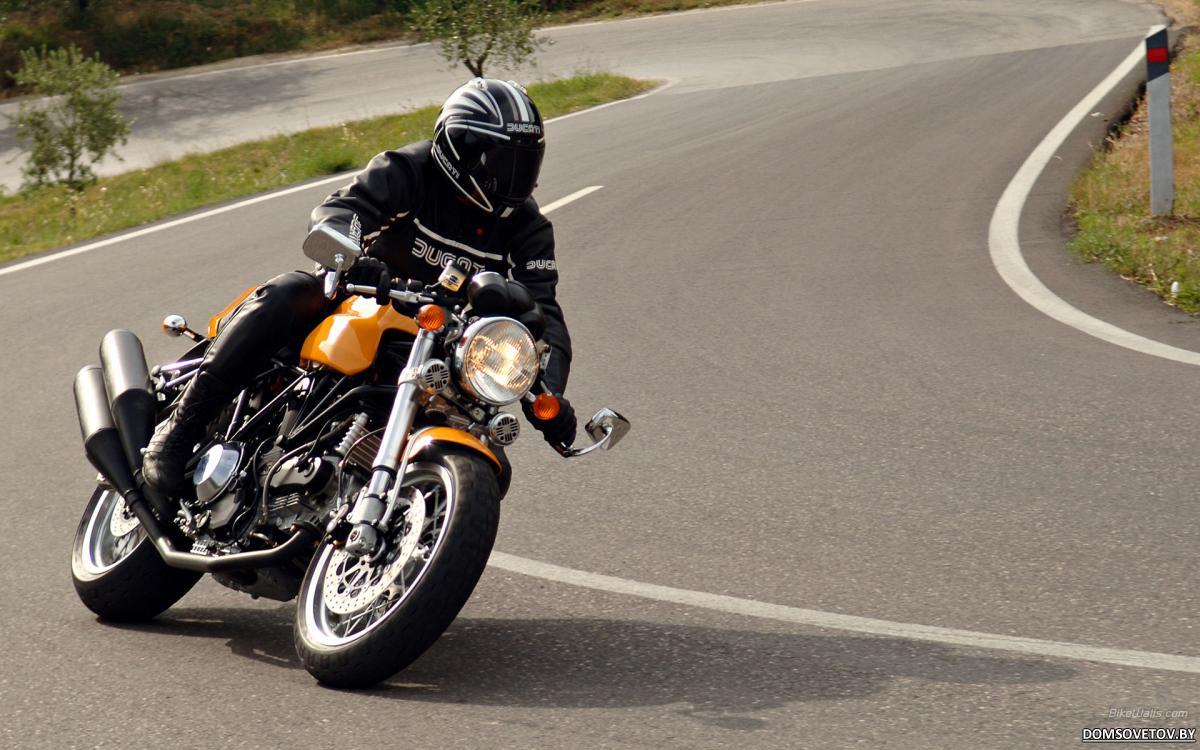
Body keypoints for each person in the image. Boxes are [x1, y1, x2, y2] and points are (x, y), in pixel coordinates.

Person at [143, 78, 576, 497]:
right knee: (289, 293)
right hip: (363, 300)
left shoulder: (528, 227)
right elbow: (344, 211)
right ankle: (180, 430)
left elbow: (543, 314)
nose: (515, 179)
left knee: (490, 457)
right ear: (461, 152)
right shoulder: (410, 170)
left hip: (443, 345)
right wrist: (351, 256)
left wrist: (549, 391)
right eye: (503, 163)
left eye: (526, 164)